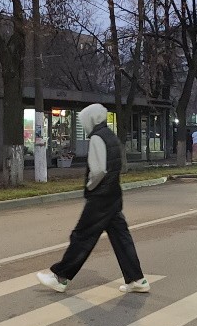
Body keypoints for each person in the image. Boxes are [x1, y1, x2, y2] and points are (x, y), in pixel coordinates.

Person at [37, 103, 150, 294]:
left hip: (100, 197)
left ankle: (60, 277)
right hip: (113, 194)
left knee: (82, 236)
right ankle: (137, 279)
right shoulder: (110, 136)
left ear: (90, 120)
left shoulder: (97, 138)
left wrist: (90, 186)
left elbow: (98, 171)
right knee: (121, 238)